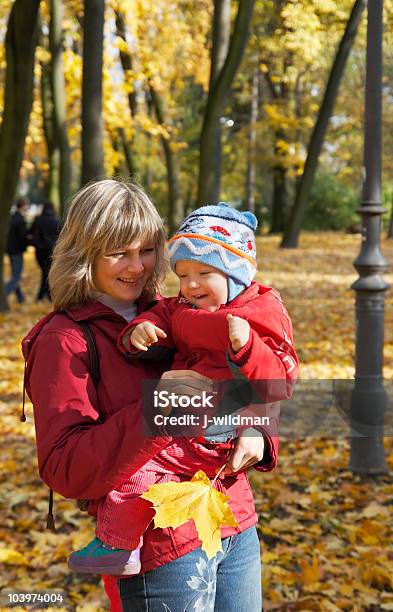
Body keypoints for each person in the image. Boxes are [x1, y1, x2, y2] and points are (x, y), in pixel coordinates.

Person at [21, 179, 285, 612]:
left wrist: (260, 429)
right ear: (83, 252)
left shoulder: (180, 307)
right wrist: (161, 408)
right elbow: (64, 467)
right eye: (118, 252)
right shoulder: (65, 339)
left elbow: (248, 374)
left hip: (231, 517)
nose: (138, 267)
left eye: (146, 250)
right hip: (156, 545)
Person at [68, 203, 299, 586]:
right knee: (145, 473)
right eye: (183, 275)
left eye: (204, 273)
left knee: (141, 473)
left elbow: (280, 379)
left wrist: (247, 350)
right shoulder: (186, 305)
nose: (190, 285)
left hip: (216, 423)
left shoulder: (257, 314)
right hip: (192, 420)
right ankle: (118, 544)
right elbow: (164, 314)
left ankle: (116, 542)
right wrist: (139, 329)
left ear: (236, 273)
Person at [30, 201, 61, 301]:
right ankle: (46, 296)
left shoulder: (38, 220)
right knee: (47, 273)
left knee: (45, 273)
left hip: (39, 251)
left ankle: (42, 296)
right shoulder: (56, 221)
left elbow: (30, 233)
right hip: (51, 251)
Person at [5, 196, 29, 303]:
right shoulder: (20, 219)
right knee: (16, 276)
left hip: (11, 250)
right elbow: (22, 237)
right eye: (27, 205)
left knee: (15, 274)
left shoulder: (12, 217)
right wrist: (30, 239)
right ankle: (3, 292)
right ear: (23, 205)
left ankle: (20, 298)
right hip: (17, 251)